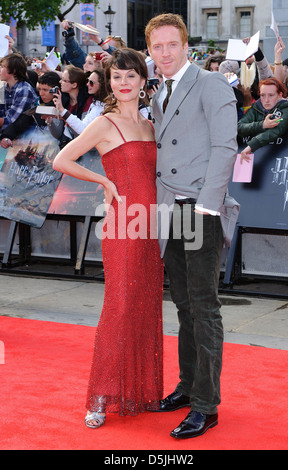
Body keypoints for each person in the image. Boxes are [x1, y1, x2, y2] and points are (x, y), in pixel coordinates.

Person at [52, 48, 164, 428]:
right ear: (110, 82)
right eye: (116, 76)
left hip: (151, 226)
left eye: (130, 75)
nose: (124, 82)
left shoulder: (151, 125)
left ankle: (141, 390)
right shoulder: (104, 123)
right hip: (122, 225)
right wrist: (103, 180)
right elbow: (61, 160)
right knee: (119, 306)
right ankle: (100, 398)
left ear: (143, 80)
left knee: (146, 304)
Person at [145, 13, 238, 439]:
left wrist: (207, 205)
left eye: (171, 44)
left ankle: (206, 404)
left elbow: (225, 147)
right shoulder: (159, 92)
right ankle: (187, 386)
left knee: (204, 307)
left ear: (186, 46)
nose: (164, 52)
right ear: (150, 50)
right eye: (157, 46)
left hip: (200, 207)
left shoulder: (211, 83)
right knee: (183, 304)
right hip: (170, 208)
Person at [238, 77, 288, 162]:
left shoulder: (286, 108)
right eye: (262, 95)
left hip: (280, 158)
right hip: (253, 158)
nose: (266, 100)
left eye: (271, 95)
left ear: (280, 95)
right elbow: (239, 127)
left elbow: (276, 130)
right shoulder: (256, 107)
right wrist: (263, 125)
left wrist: (251, 146)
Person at [46, 65, 91, 148]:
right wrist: (50, 121)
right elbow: (58, 134)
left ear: (74, 85)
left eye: (64, 80)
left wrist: (65, 116)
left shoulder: (88, 103)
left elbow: (82, 133)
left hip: (85, 152)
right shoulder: (64, 101)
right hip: (67, 148)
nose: (60, 82)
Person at [0, 53, 38, 148]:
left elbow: (10, 120)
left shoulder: (24, 90)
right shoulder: (4, 88)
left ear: (13, 71)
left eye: (3, 67)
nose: (0, 70)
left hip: (26, 140)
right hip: (9, 137)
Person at [53, 69, 106, 135]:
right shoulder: (96, 103)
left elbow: (83, 130)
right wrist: (50, 121)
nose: (87, 84)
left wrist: (62, 111)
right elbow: (58, 134)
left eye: (91, 83)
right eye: (87, 81)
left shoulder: (100, 105)